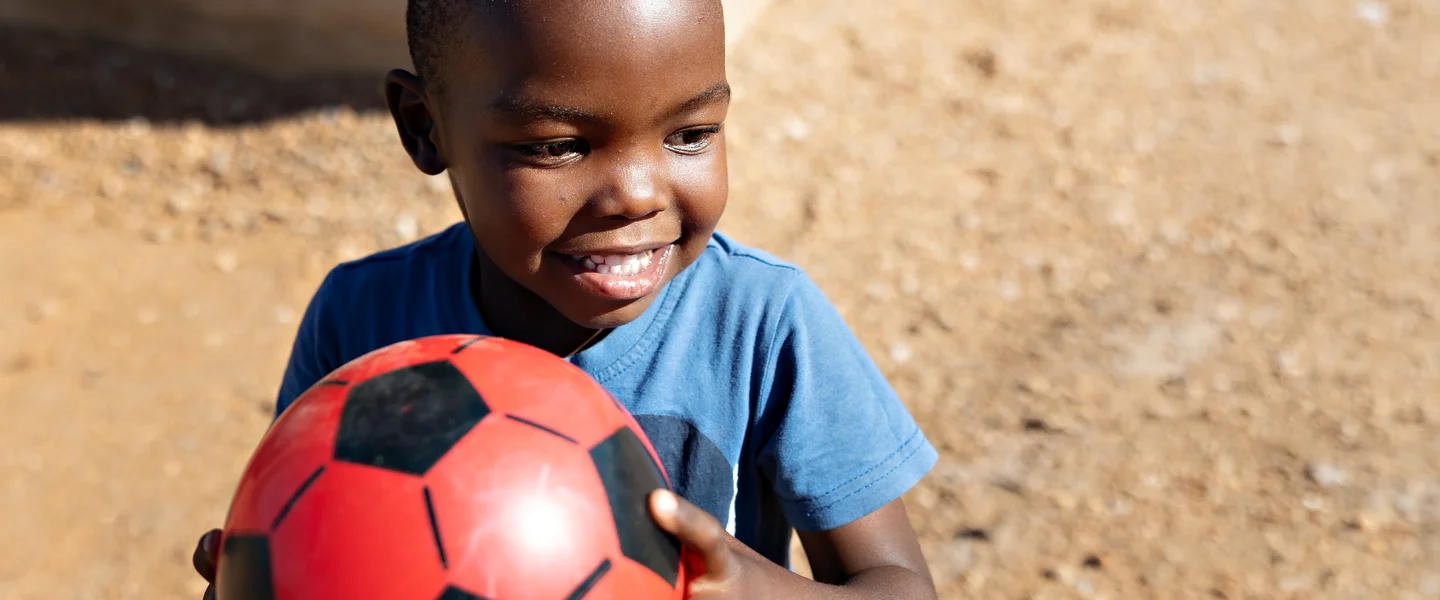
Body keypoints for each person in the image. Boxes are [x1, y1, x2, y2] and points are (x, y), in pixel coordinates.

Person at [191, 0, 939, 597]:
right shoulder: (364, 322)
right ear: (425, 128)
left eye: (691, 134)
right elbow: (304, 542)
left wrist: (749, 589)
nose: (637, 195)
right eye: (557, 146)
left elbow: (900, 587)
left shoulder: (761, 323)